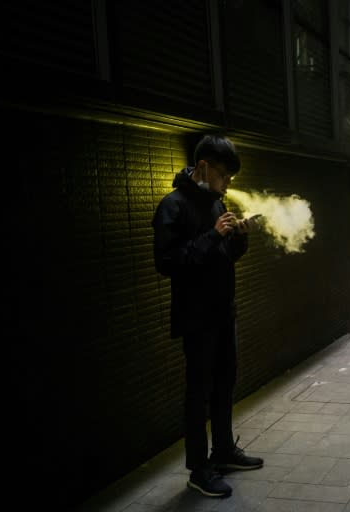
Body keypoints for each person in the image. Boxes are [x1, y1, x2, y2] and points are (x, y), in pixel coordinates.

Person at [152, 134, 263, 499]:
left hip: (221, 311)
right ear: (203, 167)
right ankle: (199, 469)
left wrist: (240, 237)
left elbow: (224, 256)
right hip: (196, 317)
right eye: (225, 175)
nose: (228, 183)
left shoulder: (217, 204)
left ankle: (224, 451)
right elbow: (167, 262)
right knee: (198, 392)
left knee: (224, 383)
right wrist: (213, 236)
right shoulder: (174, 205)